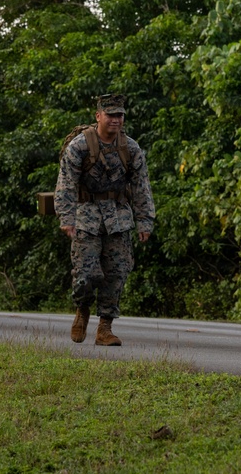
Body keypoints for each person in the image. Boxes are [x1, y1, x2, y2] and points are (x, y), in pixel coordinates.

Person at [54, 94, 155, 346]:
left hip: (119, 218)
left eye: (119, 115)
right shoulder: (79, 146)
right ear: (98, 116)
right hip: (85, 217)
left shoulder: (130, 148)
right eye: (110, 115)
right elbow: (65, 184)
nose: (115, 119)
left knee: (117, 273)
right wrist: (66, 218)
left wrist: (145, 221)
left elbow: (141, 186)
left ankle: (105, 328)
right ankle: (82, 310)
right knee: (85, 275)